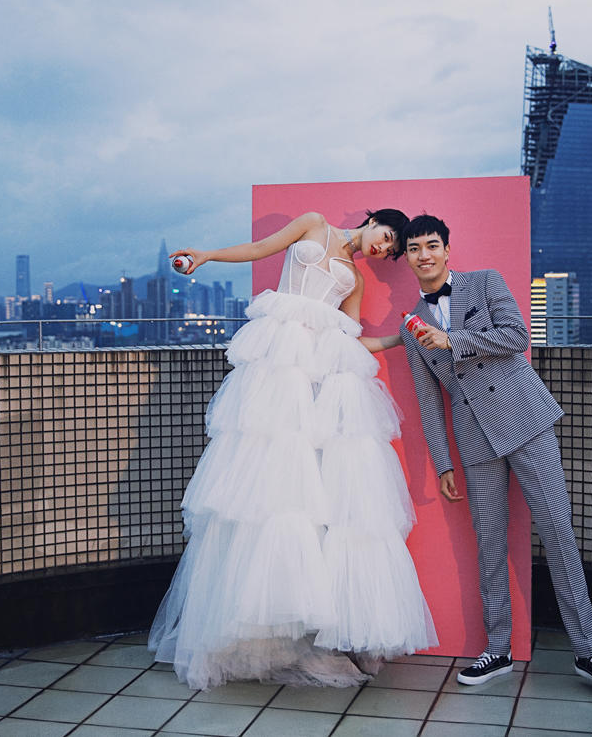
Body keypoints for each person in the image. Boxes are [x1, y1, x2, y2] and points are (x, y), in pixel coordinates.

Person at [148, 209, 437, 689]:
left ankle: (298, 626)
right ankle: (247, 629)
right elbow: (260, 248)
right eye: (387, 237)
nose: (384, 248)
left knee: (303, 496)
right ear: (372, 221)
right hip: (276, 366)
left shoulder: (355, 283)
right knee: (262, 484)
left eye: (391, 249)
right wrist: (208, 255)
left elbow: (352, 341)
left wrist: (400, 338)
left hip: (313, 382)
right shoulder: (314, 223)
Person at [398, 214, 592, 693]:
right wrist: (443, 462)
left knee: (558, 533)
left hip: (526, 422)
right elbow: (428, 400)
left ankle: (590, 653)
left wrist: (452, 340)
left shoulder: (485, 283)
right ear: (408, 258)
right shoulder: (411, 326)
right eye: (415, 248)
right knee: (489, 544)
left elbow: (517, 336)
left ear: (447, 250)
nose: (424, 255)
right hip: (474, 440)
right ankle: (497, 649)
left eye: (432, 245)